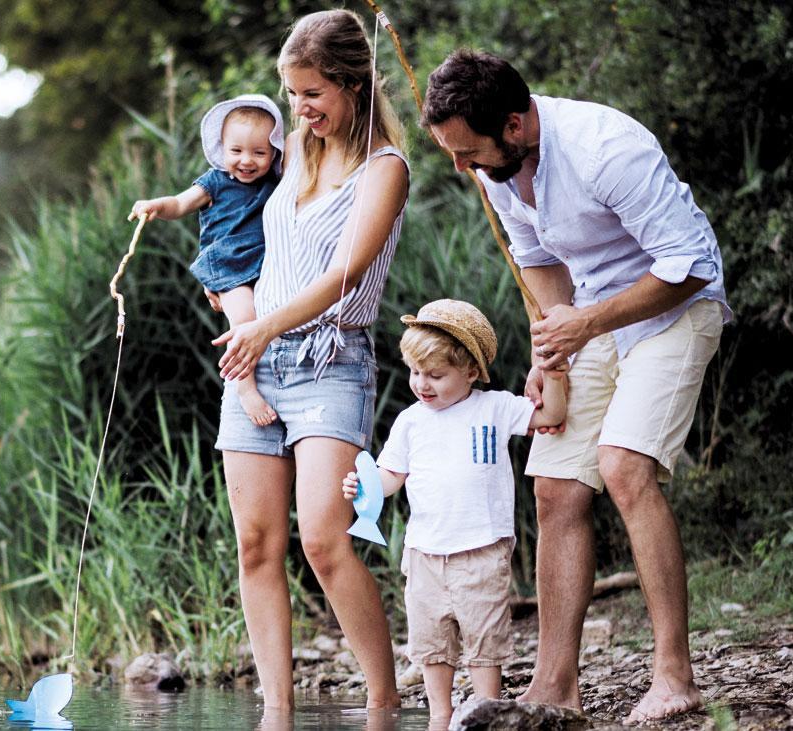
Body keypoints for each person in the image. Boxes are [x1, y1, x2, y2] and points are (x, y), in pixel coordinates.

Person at [419, 49, 733, 724]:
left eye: (468, 151)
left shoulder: (604, 149)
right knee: (556, 484)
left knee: (622, 466)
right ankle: (555, 686)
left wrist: (585, 321)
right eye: (452, 153)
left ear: (515, 124)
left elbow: (690, 266)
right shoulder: (497, 170)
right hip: (592, 318)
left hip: (676, 309)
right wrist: (550, 347)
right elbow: (539, 263)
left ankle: (674, 675)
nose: (461, 166)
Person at [207, 8, 410, 712]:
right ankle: (276, 711)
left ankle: (384, 702)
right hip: (256, 363)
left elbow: (346, 275)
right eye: (294, 94)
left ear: (354, 84)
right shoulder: (293, 146)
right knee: (256, 544)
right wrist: (228, 287)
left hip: (332, 360)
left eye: (314, 93)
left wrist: (262, 328)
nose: (300, 109)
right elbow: (236, 214)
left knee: (325, 539)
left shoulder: (386, 169)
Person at [340, 299, 566, 729]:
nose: (422, 384)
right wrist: (363, 486)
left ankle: (486, 709)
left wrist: (554, 373)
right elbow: (390, 475)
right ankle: (439, 714)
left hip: (481, 549)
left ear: (471, 372)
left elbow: (551, 414)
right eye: (416, 372)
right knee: (431, 641)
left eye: (436, 375)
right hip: (425, 553)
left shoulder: (494, 407)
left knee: (485, 636)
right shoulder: (411, 421)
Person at [131, 95, 287, 426]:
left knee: (272, 315)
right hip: (228, 264)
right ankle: (244, 388)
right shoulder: (215, 181)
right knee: (244, 318)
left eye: (259, 152)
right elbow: (180, 203)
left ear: (273, 151)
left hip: (266, 264)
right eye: (236, 151)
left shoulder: (276, 183)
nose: (247, 160)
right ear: (222, 148)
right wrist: (156, 206)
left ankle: (277, 376)